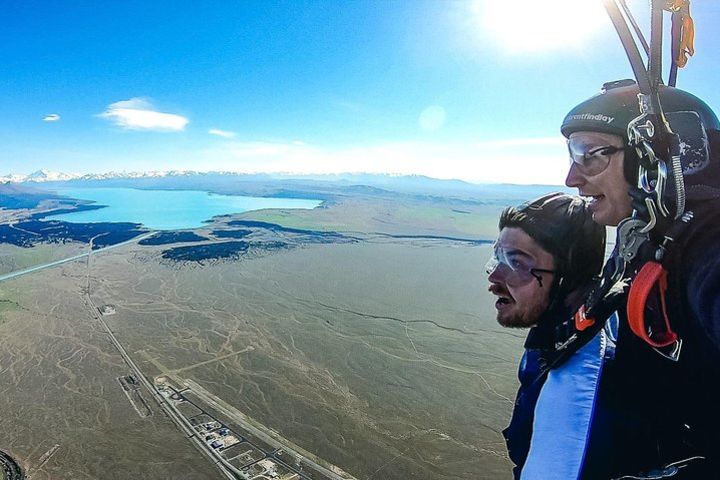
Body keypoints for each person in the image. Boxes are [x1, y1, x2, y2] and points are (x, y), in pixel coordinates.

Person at [561, 79, 720, 477]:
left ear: (655, 159)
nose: (571, 178)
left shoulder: (706, 244)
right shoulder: (648, 234)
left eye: (588, 155)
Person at [486, 192, 608, 479]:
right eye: (497, 257)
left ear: (567, 278)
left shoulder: (574, 393)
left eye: (517, 264)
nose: (494, 279)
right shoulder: (565, 336)